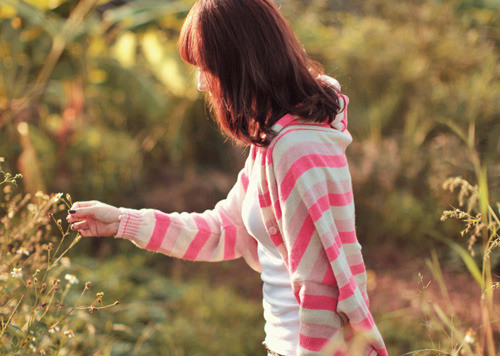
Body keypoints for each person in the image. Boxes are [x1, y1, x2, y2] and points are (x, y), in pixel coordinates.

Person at [66, 0, 387, 355]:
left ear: (240, 65)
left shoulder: (294, 149)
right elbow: (222, 230)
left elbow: (320, 286)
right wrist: (123, 222)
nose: (202, 84)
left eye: (207, 68)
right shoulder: (274, 139)